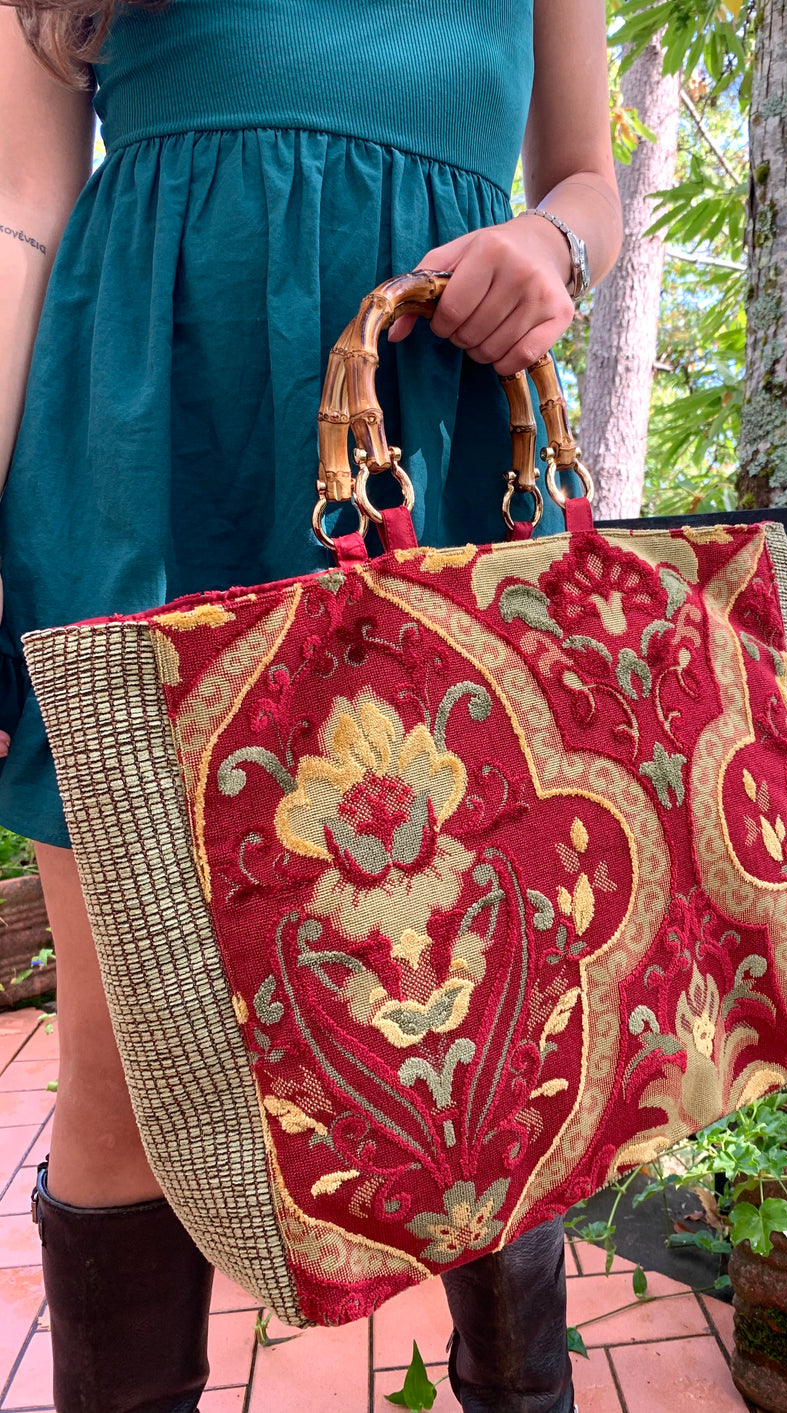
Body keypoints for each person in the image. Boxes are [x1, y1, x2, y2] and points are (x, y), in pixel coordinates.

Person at [0, 3, 622, 1409]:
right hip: (141, 460)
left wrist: (552, 245)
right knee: (125, 1073)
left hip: (446, 456)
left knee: (497, 1048)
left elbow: (584, 175)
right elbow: (19, 212)